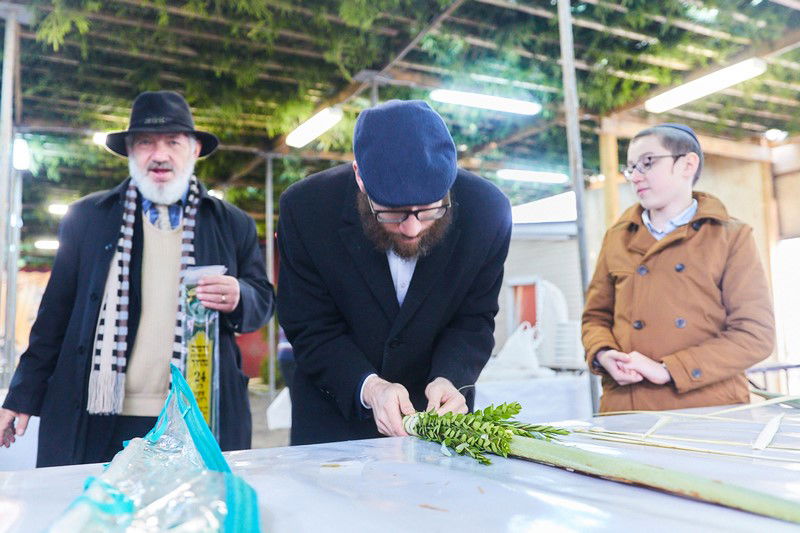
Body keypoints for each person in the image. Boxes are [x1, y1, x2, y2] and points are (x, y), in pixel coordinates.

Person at [0, 91, 274, 466]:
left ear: (194, 150)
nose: (159, 155)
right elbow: (54, 317)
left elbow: (263, 300)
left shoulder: (231, 223)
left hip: (195, 414)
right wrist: (21, 395)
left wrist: (241, 295)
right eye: (145, 142)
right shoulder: (88, 218)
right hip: (99, 412)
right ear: (130, 151)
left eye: (173, 142)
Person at [277, 99, 512, 444]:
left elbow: (474, 319)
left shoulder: (488, 213)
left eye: (430, 210)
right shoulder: (306, 210)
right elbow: (310, 326)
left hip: (438, 422)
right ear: (360, 176)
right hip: (335, 422)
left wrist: (450, 378)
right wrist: (370, 387)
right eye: (392, 213)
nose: (412, 229)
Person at [582, 123, 774, 412]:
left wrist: (670, 369)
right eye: (631, 167)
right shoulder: (617, 237)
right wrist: (603, 353)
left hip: (707, 410)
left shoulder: (730, 236)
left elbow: (755, 335)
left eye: (648, 163)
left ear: (687, 164)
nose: (636, 176)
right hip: (626, 408)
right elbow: (595, 317)